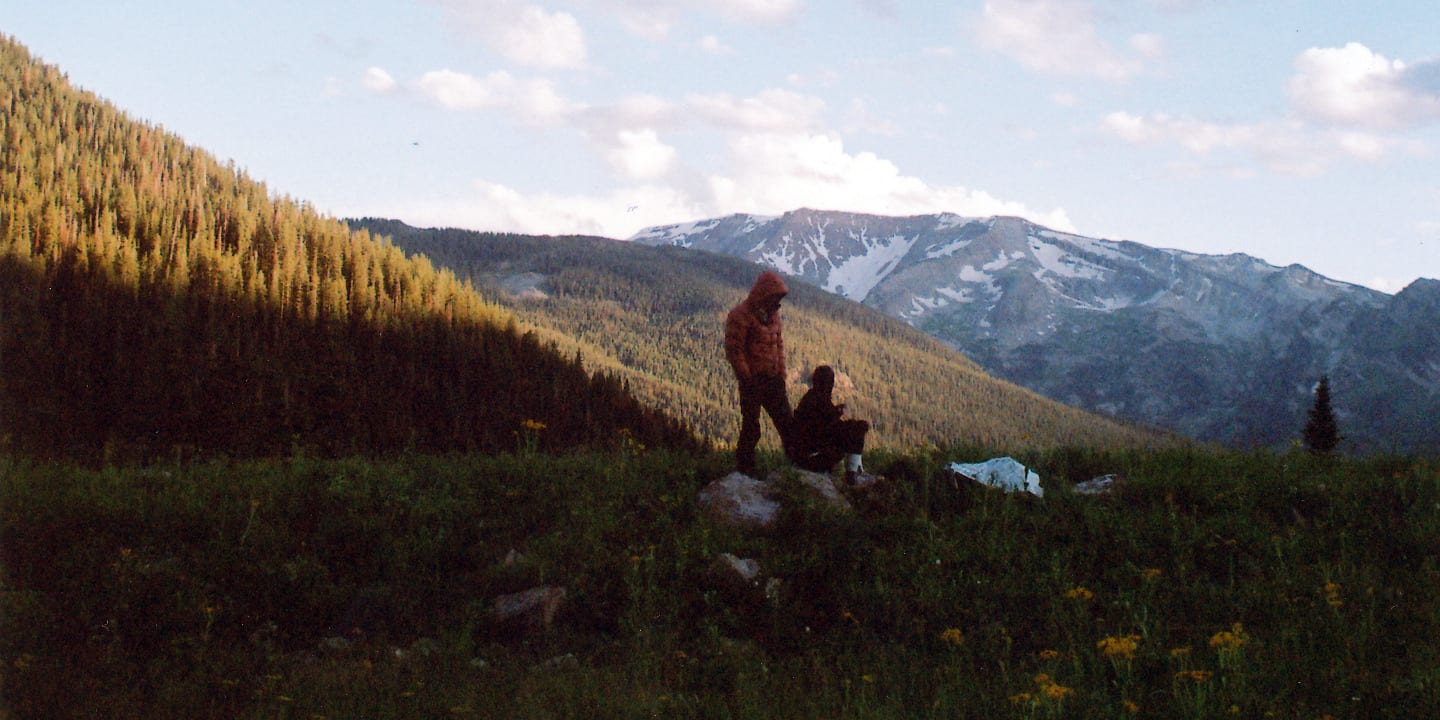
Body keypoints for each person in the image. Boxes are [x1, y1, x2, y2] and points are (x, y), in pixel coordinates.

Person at [724, 270, 793, 477]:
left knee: (787, 424)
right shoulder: (740, 315)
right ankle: (745, 469)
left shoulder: (773, 317)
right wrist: (746, 377)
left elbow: (778, 344)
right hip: (752, 381)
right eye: (775, 297)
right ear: (764, 294)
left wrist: (781, 373)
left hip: (773, 380)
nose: (777, 303)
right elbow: (734, 350)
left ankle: (796, 463)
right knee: (751, 427)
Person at [788, 365, 877, 486]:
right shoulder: (817, 400)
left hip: (803, 456)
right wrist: (841, 416)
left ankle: (855, 471)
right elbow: (823, 427)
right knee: (857, 430)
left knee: (852, 429)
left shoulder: (812, 397)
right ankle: (854, 474)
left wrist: (837, 414)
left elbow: (826, 424)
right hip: (811, 457)